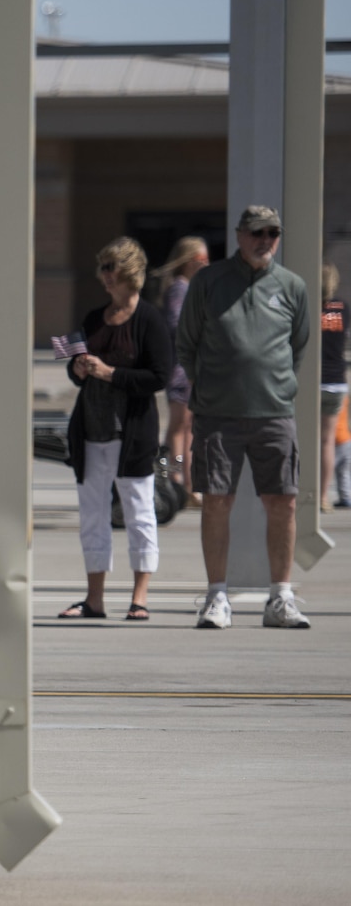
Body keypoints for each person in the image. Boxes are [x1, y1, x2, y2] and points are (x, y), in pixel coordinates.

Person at [178, 205, 311, 630]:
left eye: (272, 233)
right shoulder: (209, 281)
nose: (265, 240)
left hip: (274, 411)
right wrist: (212, 386)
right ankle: (217, 597)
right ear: (239, 235)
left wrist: (274, 383)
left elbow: (299, 346)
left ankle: (281, 599)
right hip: (218, 414)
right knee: (217, 502)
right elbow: (187, 343)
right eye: (257, 232)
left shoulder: (293, 286)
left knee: (283, 502)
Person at [59, 238, 172, 622]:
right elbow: (74, 369)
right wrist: (76, 370)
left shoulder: (150, 320)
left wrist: (111, 373)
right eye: (103, 268)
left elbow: (160, 376)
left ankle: (139, 597)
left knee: (139, 511)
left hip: (132, 433)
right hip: (90, 429)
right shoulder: (94, 318)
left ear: (129, 273)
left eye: (112, 269)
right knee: (93, 514)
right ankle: (94, 599)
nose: (105, 276)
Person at [157, 236, 211, 499]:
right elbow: (177, 325)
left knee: (187, 428)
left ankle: (187, 483)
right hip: (180, 369)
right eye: (202, 260)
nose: (206, 264)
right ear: (189, 262)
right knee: (178, 427)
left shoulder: (191, 287)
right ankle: (171, 478)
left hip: (192, 368)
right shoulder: (180, 288)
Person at [319, 264, 345, 516]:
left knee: (302, 439)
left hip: (310, 381)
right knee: (327, 442)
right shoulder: (342, 308)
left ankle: (304, 490)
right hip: (336, 381)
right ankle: (323, 496)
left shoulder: (306, 306)